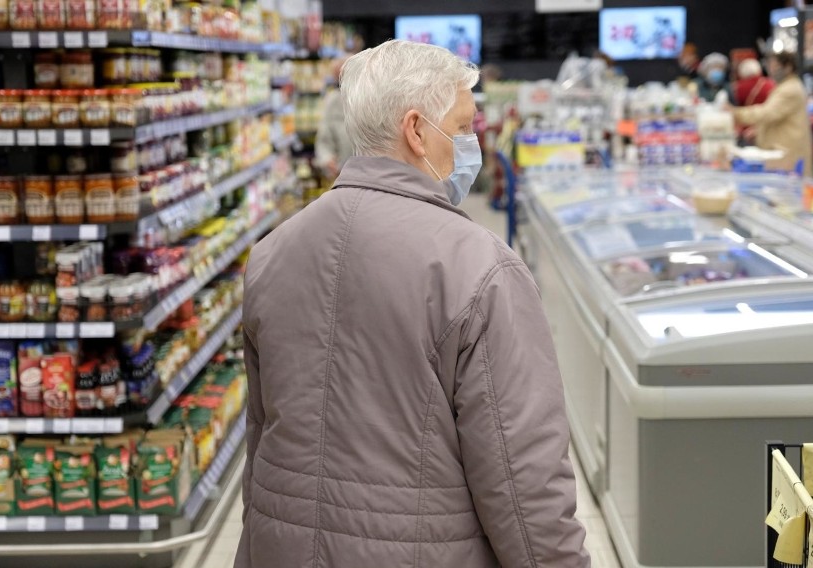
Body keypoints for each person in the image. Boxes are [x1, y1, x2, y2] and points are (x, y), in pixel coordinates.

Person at [236, 39, 590, 568]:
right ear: (417, 130)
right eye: (465, 126)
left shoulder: (271, 253)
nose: (472, 142)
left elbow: (263, 437)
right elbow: (523, 485)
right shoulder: (479, 268)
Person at [733, 51, 813, 175]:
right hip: (781, 152)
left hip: (787, 155)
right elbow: (778, 117)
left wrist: (736, 114)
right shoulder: (784, 86)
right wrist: (759, 130)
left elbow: (767, 113)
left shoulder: (790, 90)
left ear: (788, 67)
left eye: (774, 65)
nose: (771, 69)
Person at [314, 57, 352, 180]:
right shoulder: (334, 100)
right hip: (343, 174)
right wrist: (327, 159)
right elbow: (324, 138)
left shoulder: (373, 99)